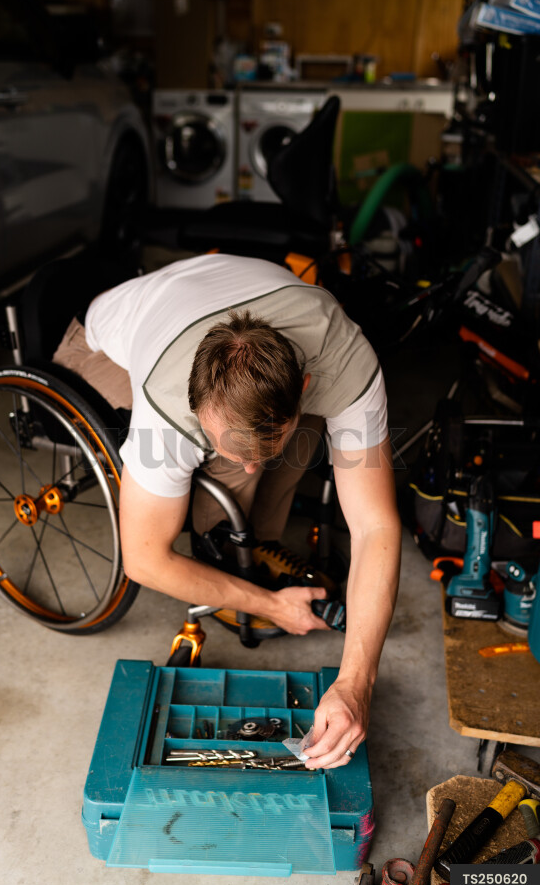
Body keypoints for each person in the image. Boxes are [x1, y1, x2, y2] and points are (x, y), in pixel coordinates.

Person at [53, 252, 401, 769]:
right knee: (229, 468)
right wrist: (270, 605)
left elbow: (376, 525)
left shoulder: (345, 359)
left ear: (303, 386)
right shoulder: (166, 406)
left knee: (292, 439)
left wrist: (356, 682)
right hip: (94, 344)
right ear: (194, 405)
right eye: (232, 445)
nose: (251, 463)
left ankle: (256, 541)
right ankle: (227, 555)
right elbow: (143, 560)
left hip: (209, 302)